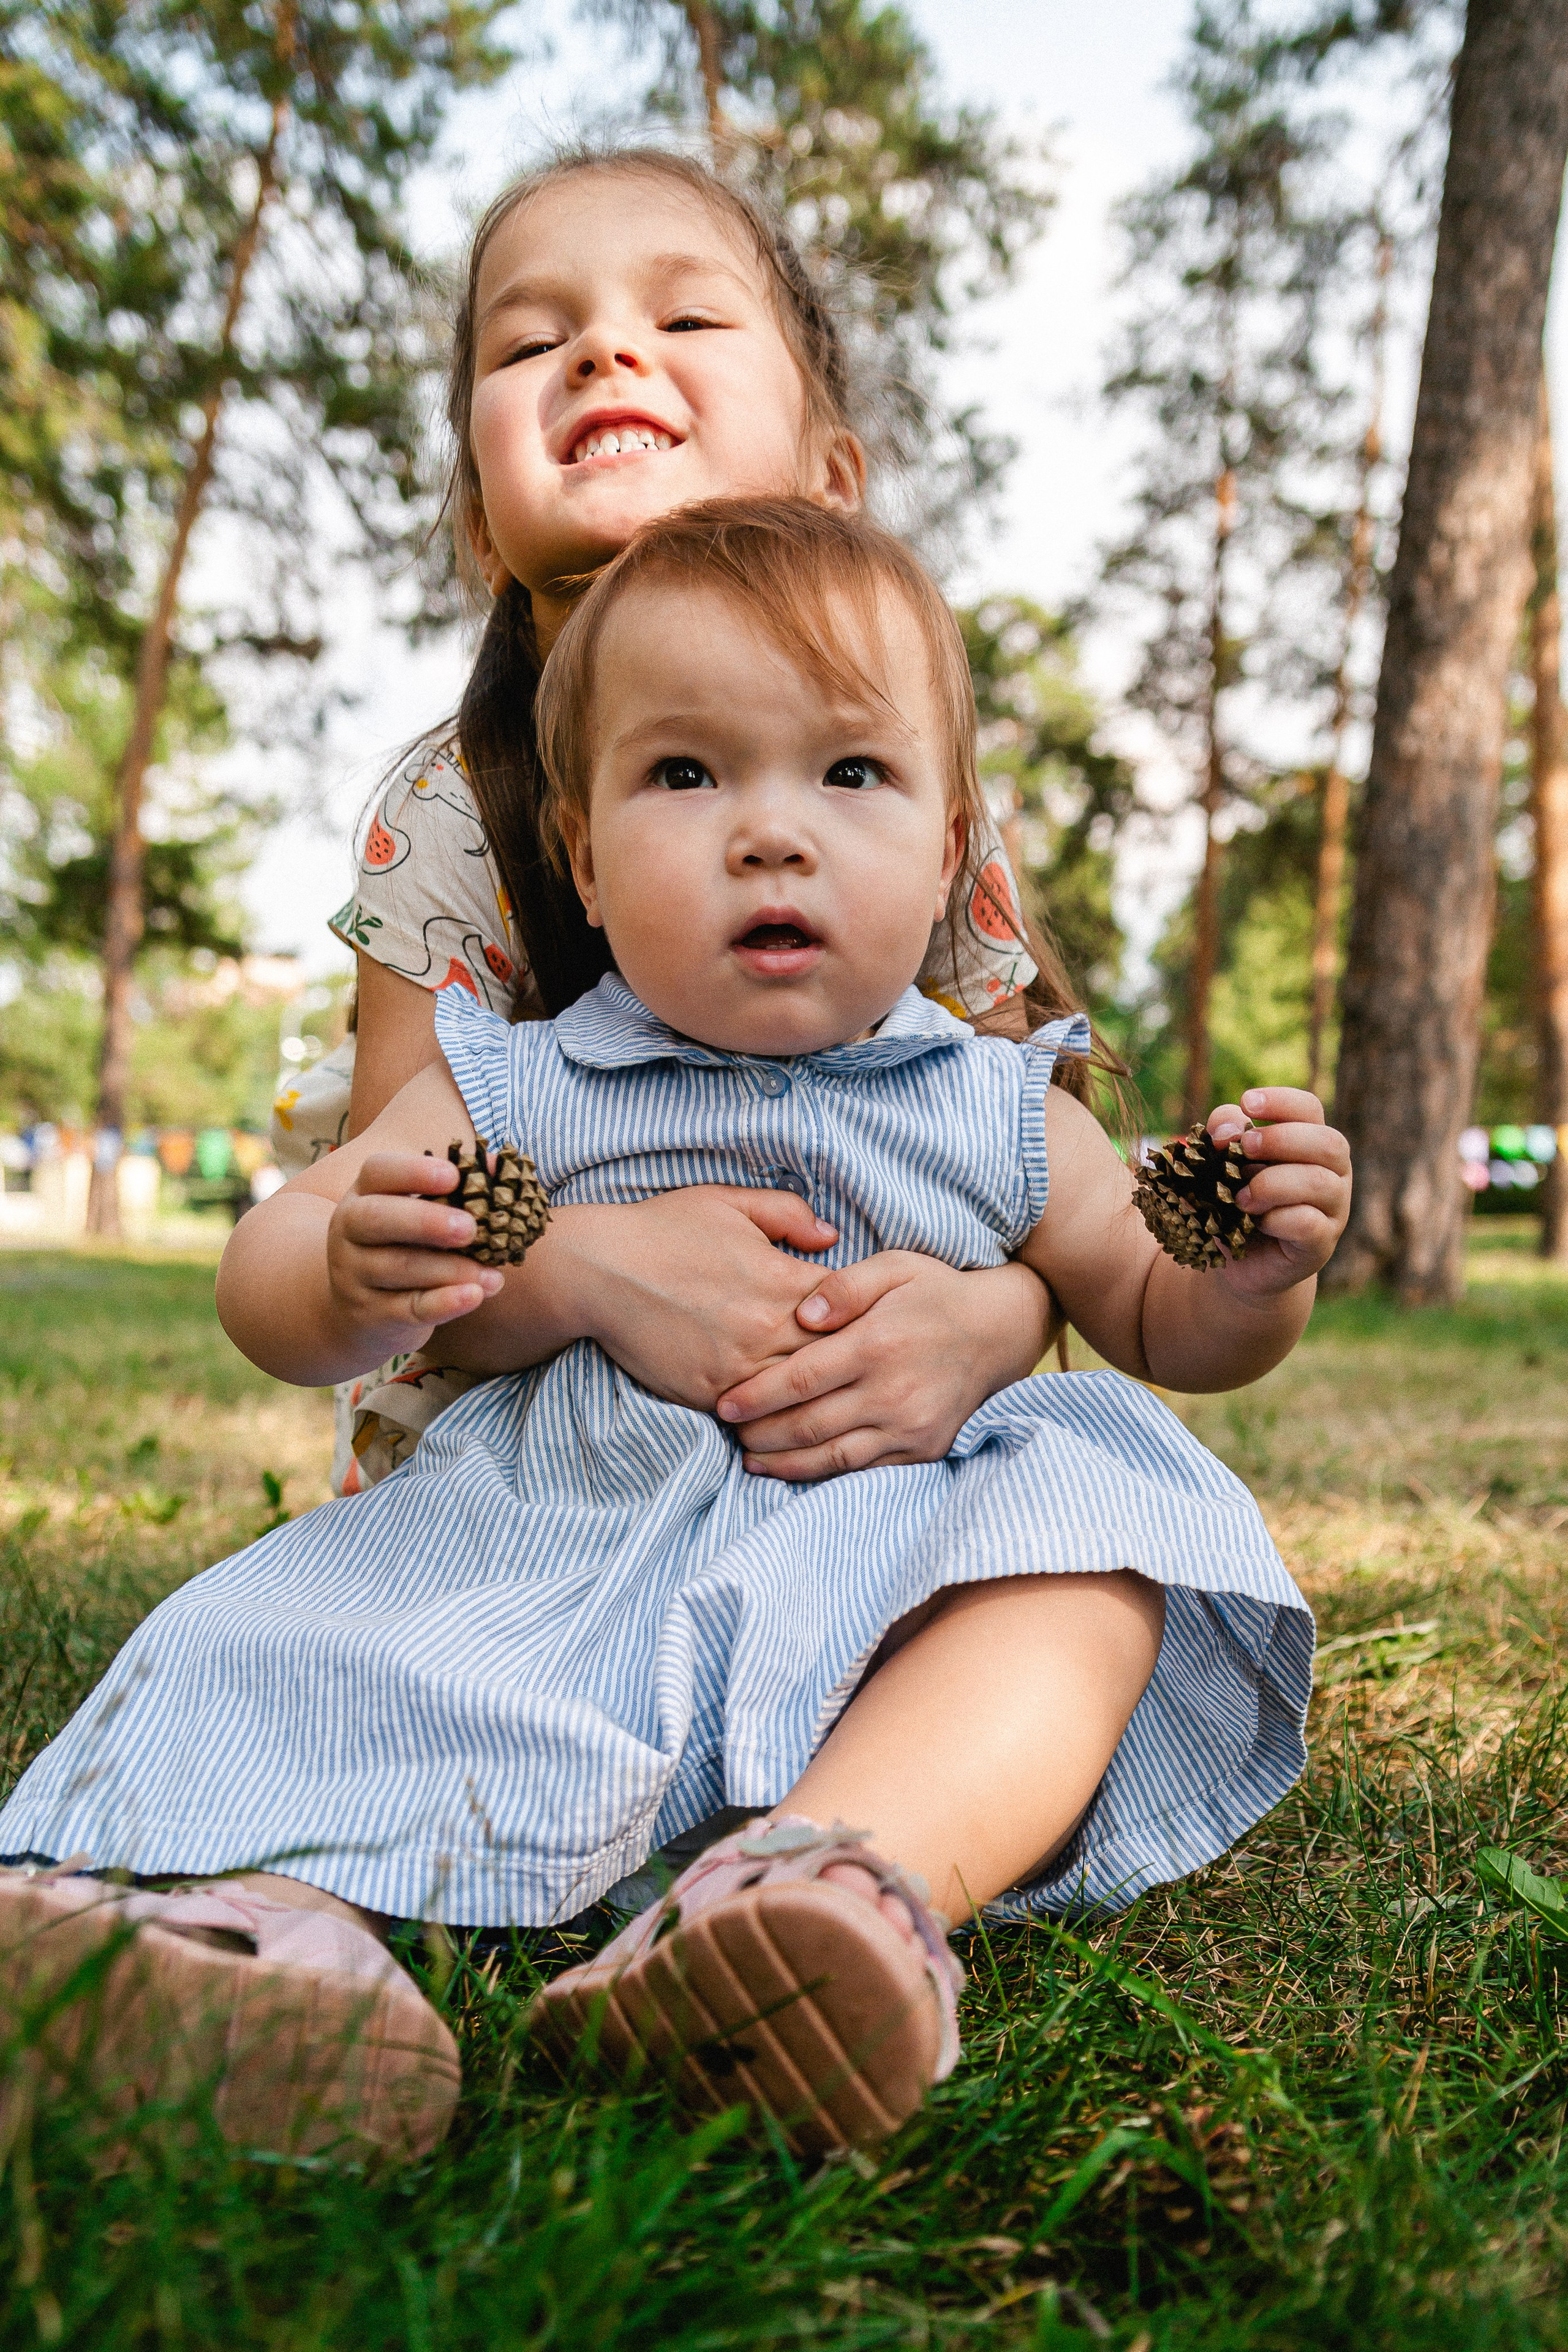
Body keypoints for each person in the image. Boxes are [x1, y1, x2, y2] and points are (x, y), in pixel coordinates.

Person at [0, 500, 1349, 2160]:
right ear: (579, 854)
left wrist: (1250, 1267)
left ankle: (838, 1882)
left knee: (1095, 1527)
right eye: (686, 776)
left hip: (876, 1591)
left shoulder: (1001, 1110)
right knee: (326, 1659)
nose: (770, 835)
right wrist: (347, 1263)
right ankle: (273, 1955)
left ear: (945, 857)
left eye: (849, 775)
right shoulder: (517, 1080)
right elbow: (272, 1265)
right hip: (541, 1569)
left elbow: (1161, 1315)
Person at [272, 143, 1061, 1499]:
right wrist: (581, 1266)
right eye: (532, 340)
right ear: (479, 524)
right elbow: (351, 1234)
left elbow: (1028, 1166)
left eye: (684, 319)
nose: (601, 354)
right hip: (529, 1469)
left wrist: (994, 1322)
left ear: (830, 478)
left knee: (1077, 1593)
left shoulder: (899, 781)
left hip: (856, 1459)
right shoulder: (454, 808)